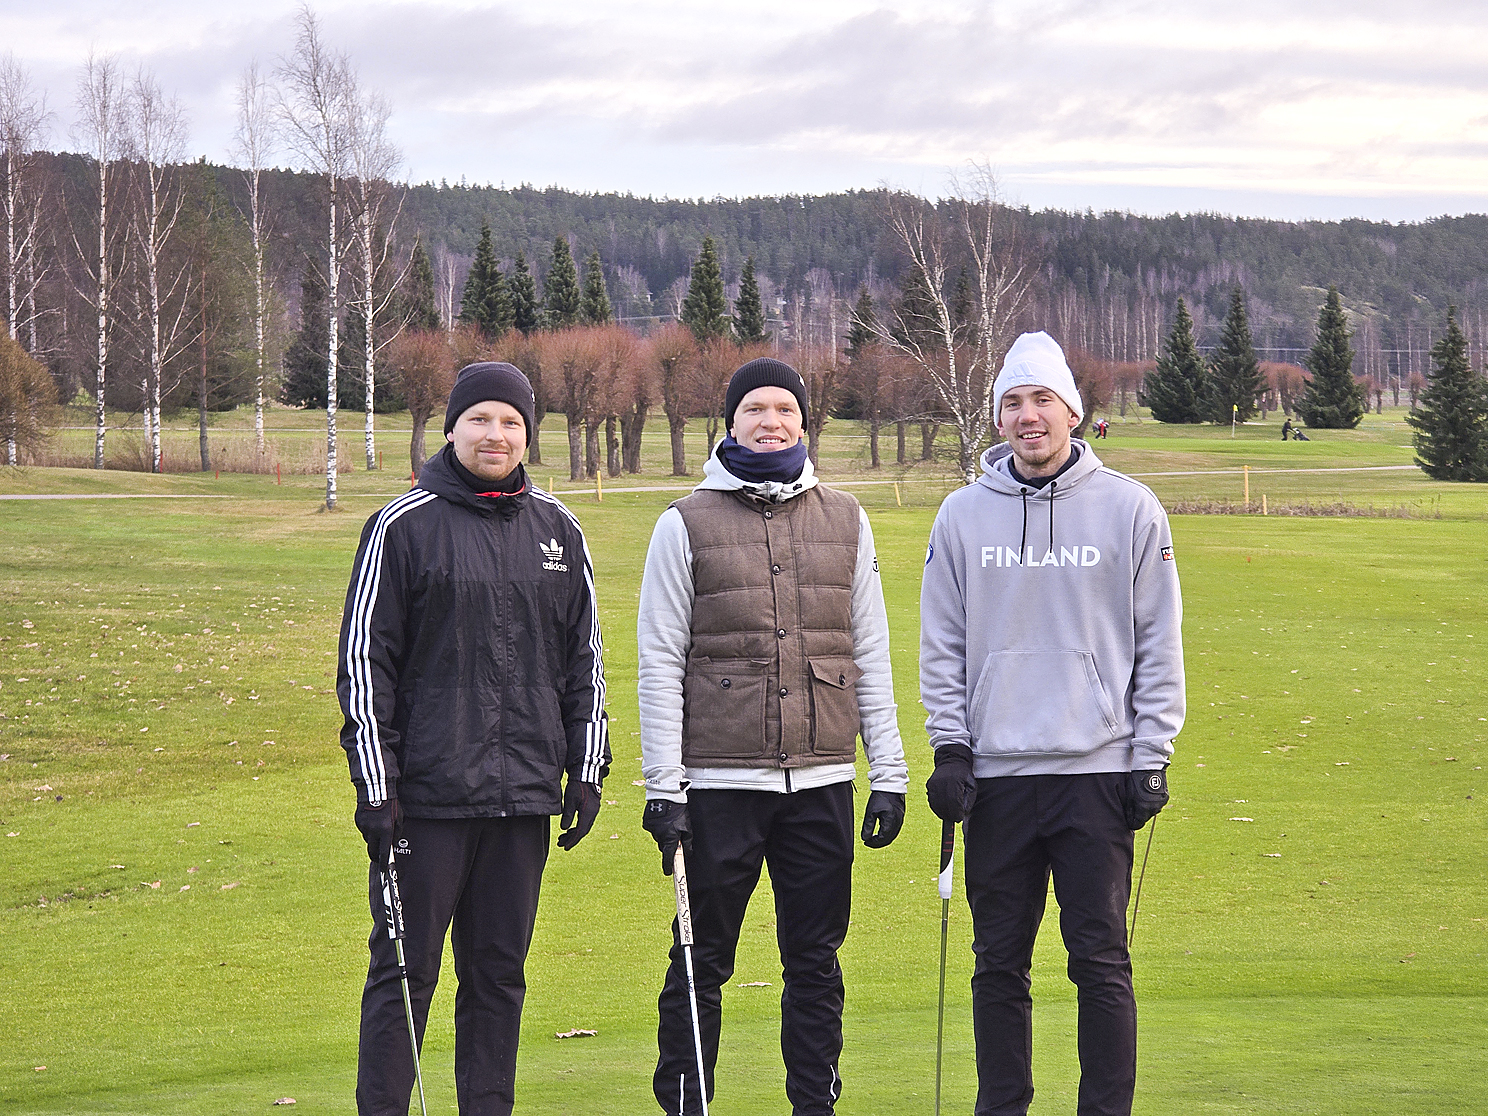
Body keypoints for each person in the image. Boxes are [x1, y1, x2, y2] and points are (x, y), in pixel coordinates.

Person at [919, 331, 1185, 1116]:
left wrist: (1152, 753)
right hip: (995, 779)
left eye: (1042, 400)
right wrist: (949, 747)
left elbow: (1157, 640)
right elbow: (943, 644)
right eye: (1012, 402)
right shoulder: (962, 515)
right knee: (998, 963)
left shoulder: (1131, 509)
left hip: (1096, 773)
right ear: (998, 417)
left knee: (1099, 961)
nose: (1028, 416)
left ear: (1071, 410)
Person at [637, 357, 909, 1116]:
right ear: (731, 422)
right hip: (720, 785)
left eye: (785, 408)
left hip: (822, 781)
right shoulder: (683, 523)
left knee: (815, 962)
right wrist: (665, 789)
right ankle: (688, 1103)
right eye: (754, 407)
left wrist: (887, 770)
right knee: (702, 960)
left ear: (803, 421)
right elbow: (659, 660)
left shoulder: (847, 518)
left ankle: (813, 1106)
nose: (771, 420)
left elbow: (870, 650)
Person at [338, 362, 610, 1116]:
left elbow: (584, 661)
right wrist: (377, 787)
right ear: (453, 427)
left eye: (512, 423)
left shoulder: (559, 530)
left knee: (497, 976)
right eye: (483, 420)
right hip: (423, 802)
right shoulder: (403, 525)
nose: (497, 434)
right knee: (403, 973)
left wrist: (585, 770)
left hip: (521, 800)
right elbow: (365, 664)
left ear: (529, 434)